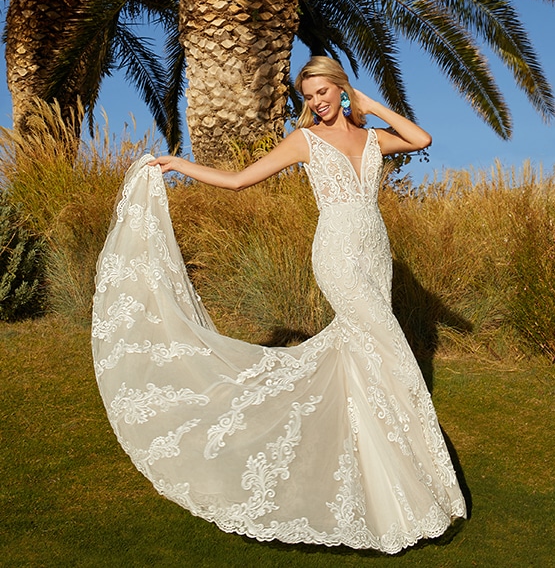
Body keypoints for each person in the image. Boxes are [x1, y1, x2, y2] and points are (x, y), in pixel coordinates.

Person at [92, 56, 466, 554]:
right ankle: (411, 489)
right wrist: (180, 164)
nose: (315, 102)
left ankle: (382, 483)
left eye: (322, 92)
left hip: (376, 253)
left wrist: (371, 106)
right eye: (308, 95)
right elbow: (239, 180)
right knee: (392, 353)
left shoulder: (373, 138)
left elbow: (422, 140)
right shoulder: (304, 141)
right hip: (336, 255)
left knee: (369, 361)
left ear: (340, 89)